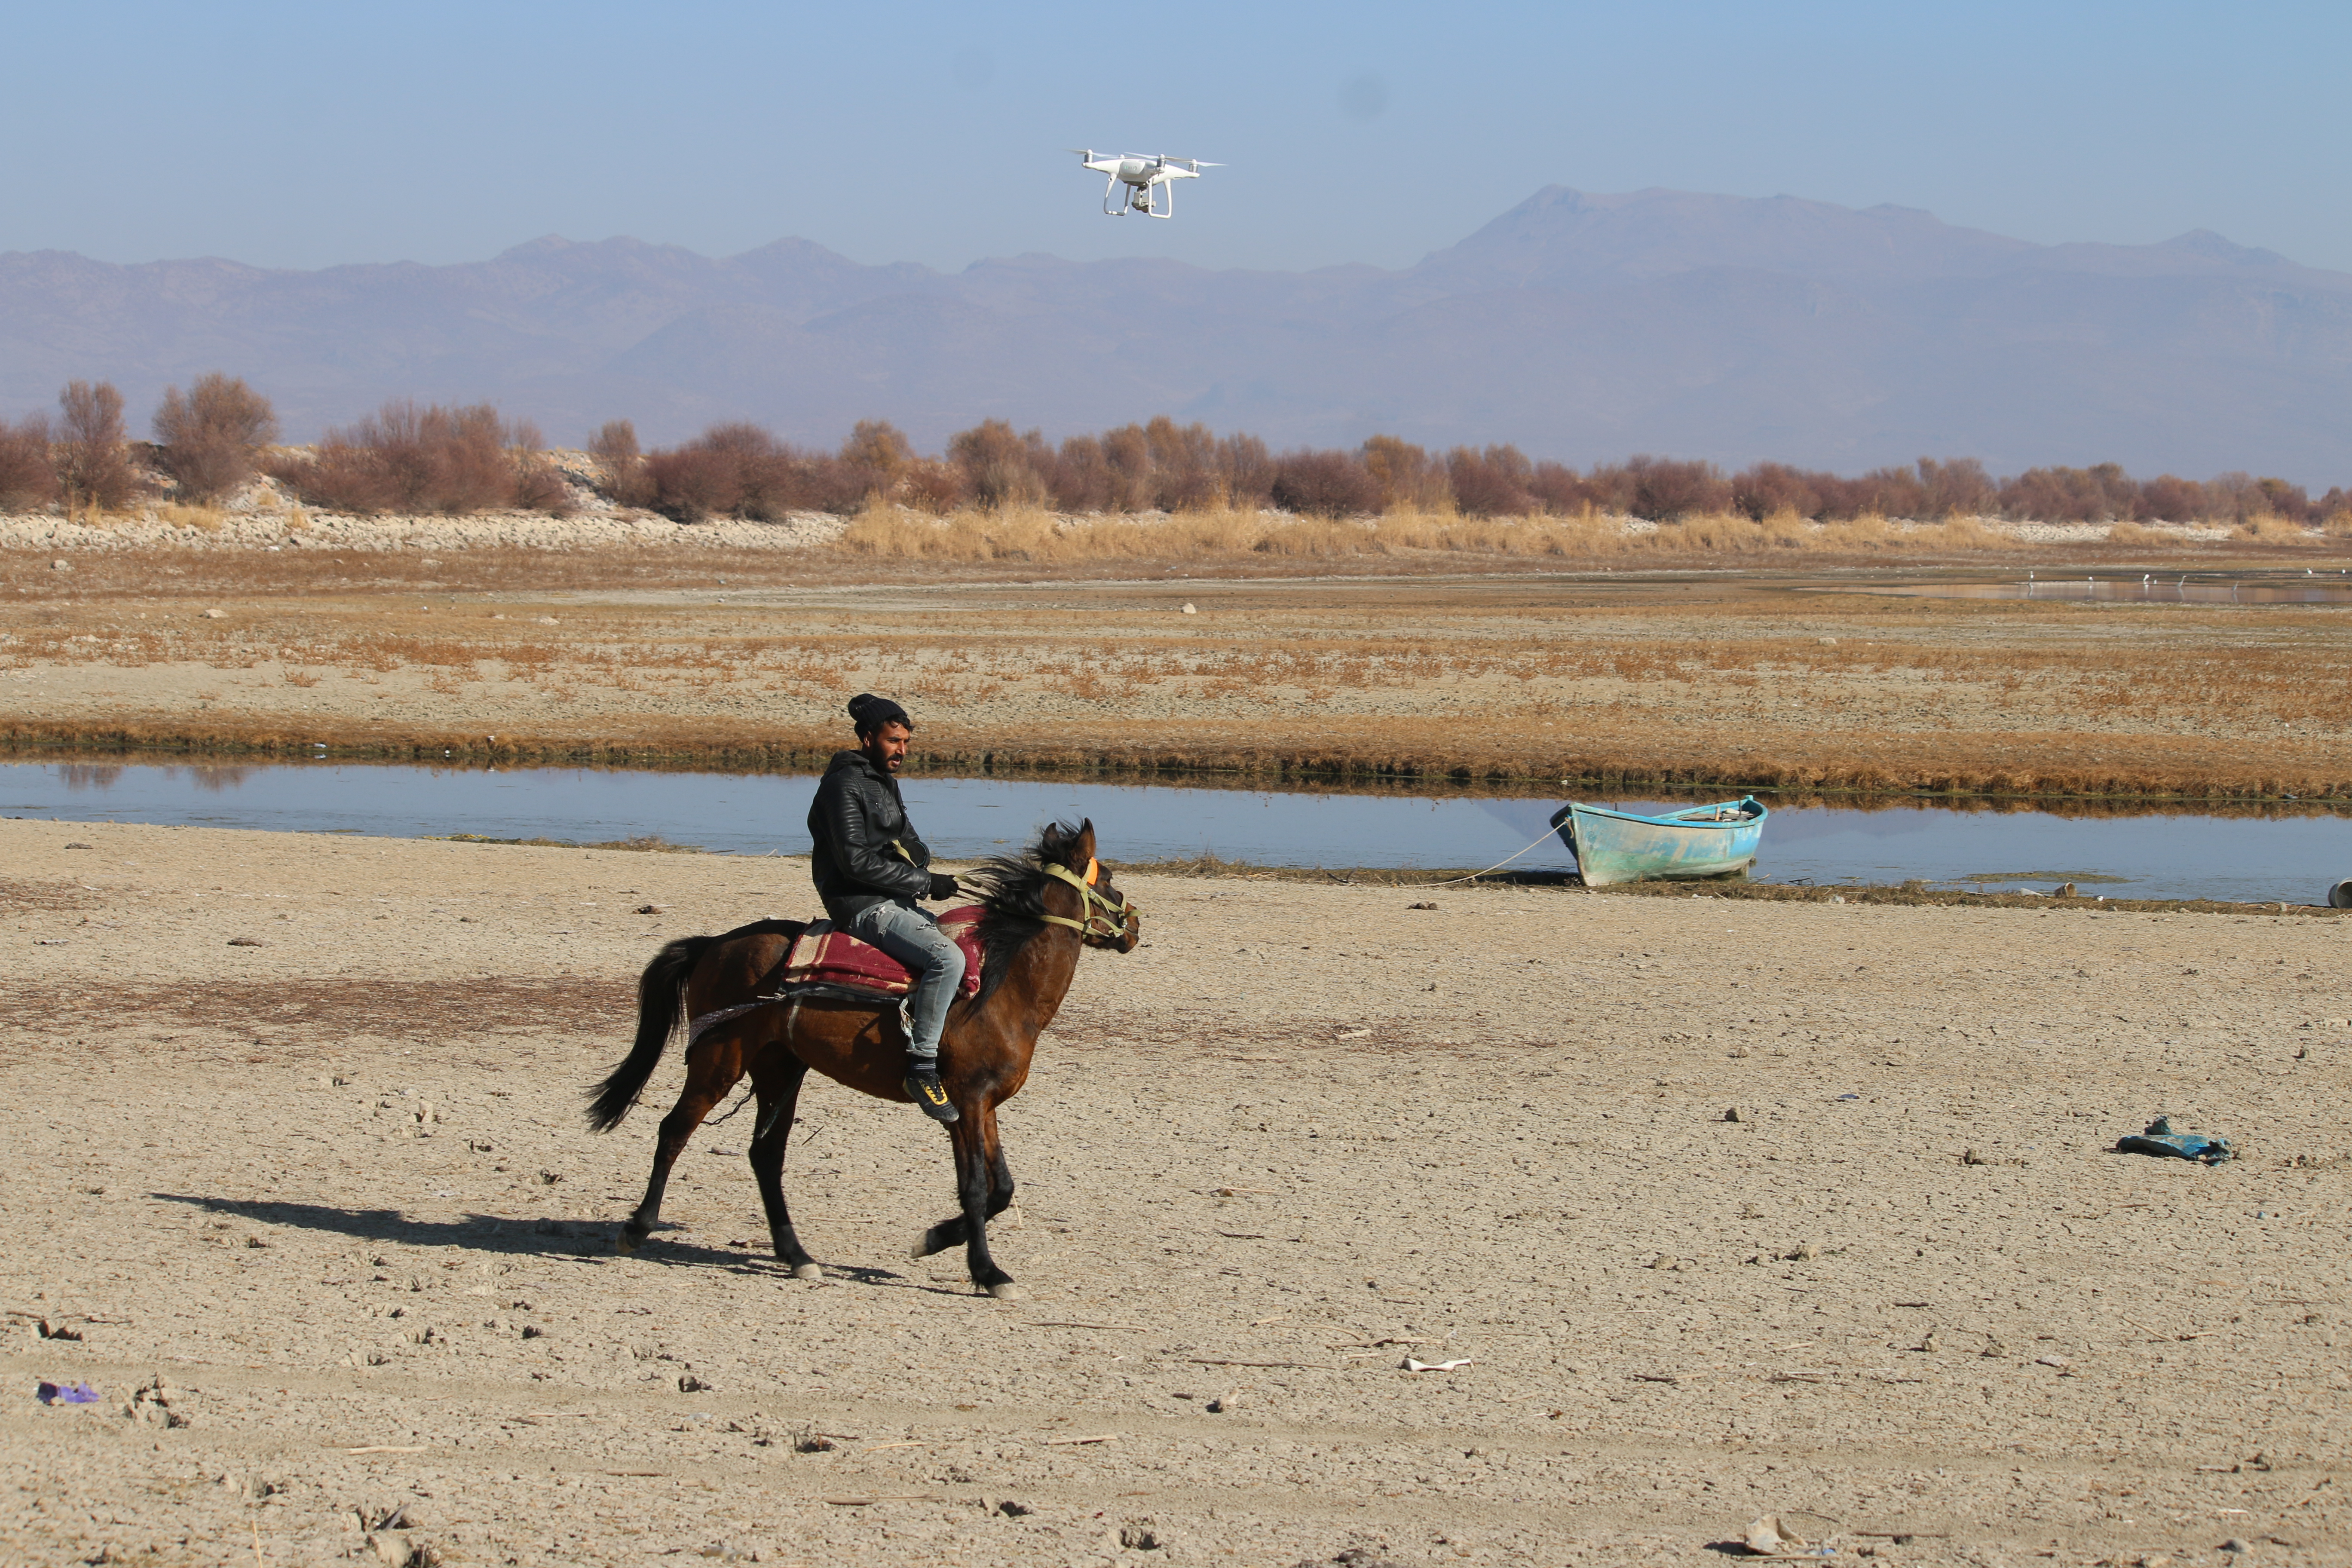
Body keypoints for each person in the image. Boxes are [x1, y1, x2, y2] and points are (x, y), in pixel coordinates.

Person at [807, 693, 966, 1121]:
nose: (902, 750)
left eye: (906, 742)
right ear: (867, 738)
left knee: (964, 941)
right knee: (947, 959)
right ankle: (922, 1068)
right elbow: (854, 862)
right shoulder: (842, 785)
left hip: (895, 898)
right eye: (894, 741)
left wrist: (920, 863)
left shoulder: (883, 782)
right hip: (860, 904)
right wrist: (924, 882)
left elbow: (910, 841)